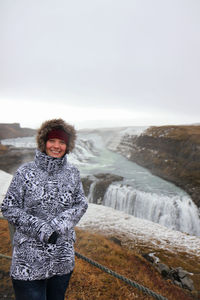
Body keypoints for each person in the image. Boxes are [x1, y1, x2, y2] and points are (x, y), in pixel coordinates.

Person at [1, 118, 88, 300]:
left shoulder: (73, 173)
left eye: (62, 142)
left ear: (68, 145)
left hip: (61, 259)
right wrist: (41, 228)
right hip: (29, 261)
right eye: (52, 140)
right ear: (43, 142)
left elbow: (81, 203)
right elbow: (8, 206)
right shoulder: (25, 172)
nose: (56, 146)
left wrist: (59, 224)